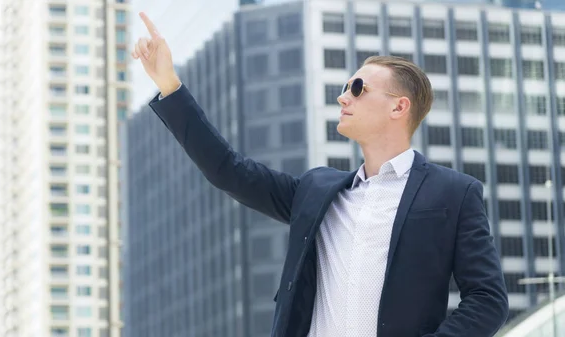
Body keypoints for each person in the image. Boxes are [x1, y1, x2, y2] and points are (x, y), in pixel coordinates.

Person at [132, 11, 509, 337]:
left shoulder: (453, 194)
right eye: (344, 88)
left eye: (358, 88)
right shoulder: (316, 191)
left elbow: (488, 299)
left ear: (399, 107)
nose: (344, 97)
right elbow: (228, 169)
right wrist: (170, 85)